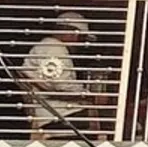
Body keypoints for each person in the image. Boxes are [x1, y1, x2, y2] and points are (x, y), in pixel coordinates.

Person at [19, 11, 98, 139]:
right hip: (61, 115)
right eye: (82, 38)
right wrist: (90, 96)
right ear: (72, 33)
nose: (82, 44)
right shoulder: (54, 48)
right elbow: (60, 85)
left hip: (55, 115)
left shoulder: (48, 47)